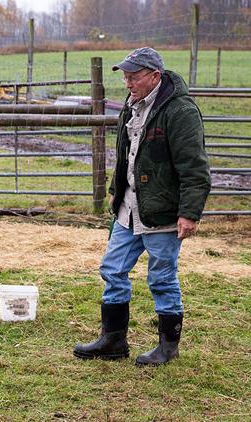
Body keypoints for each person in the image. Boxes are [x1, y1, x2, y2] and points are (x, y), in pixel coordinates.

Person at [73, 47, 211, 366]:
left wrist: (189, 213)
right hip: (129, 208)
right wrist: (115, 190)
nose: (127, 82)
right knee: (112, 268)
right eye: (125, 76)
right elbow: (125, 152)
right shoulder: (133, 103)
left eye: (134, 76)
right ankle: (113, 339)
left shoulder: (180, 111)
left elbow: (195, 168)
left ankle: (167, 347)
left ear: (154, 76)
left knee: (161, 278)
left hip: (163, 211)